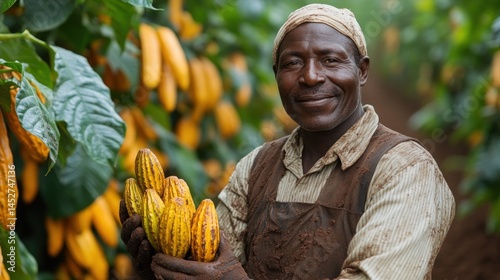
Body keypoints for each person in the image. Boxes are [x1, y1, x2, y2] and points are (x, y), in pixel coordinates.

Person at [119, 3, 456, 279]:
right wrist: (166, 264)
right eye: (293, 63)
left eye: (330, 59)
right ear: (277, 75)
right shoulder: (256, 167)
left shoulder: (405, 169)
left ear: (362, 70)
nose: (310, 76)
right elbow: (212, 263)